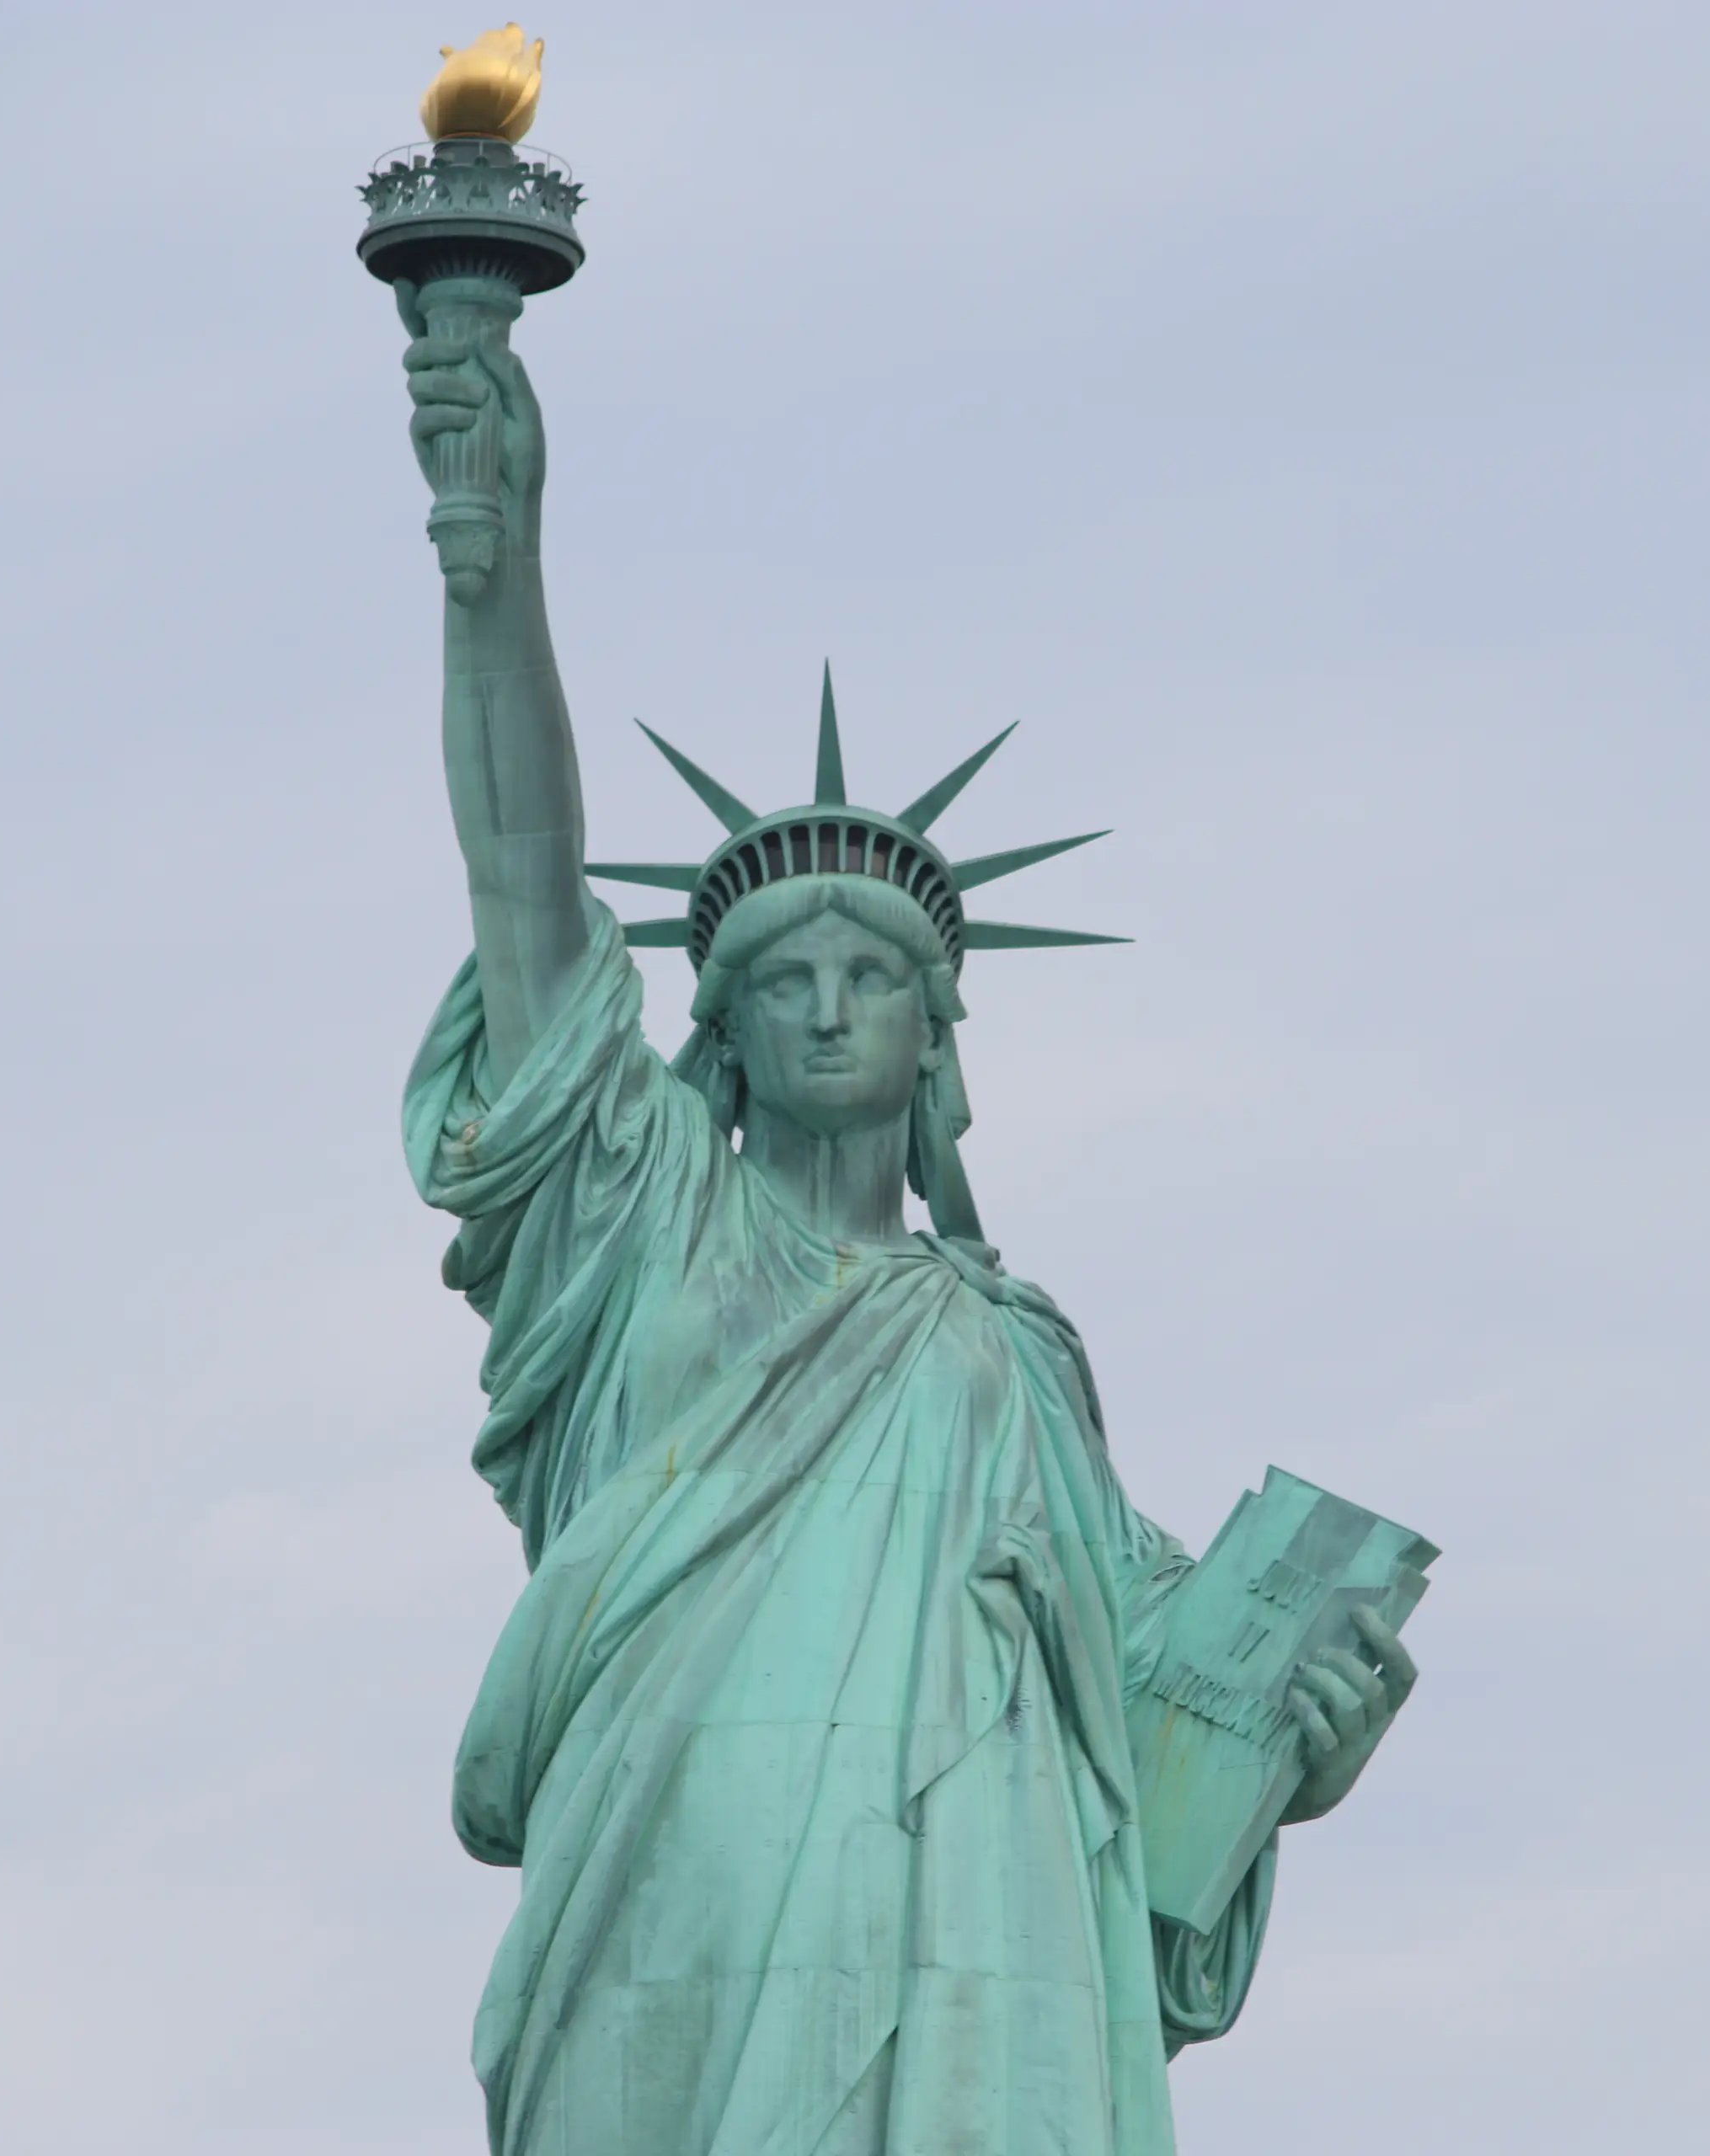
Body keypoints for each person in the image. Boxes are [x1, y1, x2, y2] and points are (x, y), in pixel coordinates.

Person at [392, 270, 1415, 2156]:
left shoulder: (1004, 1345)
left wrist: (1296, 1725)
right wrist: (493, 559)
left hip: (988, 1920)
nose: (835, 1004)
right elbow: (523, 875)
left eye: (879, 978)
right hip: (684, 1863)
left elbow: (1146, 1668)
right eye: (789, 978)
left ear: (943, 1047)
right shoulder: (640, 1233)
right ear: (722, 1035)